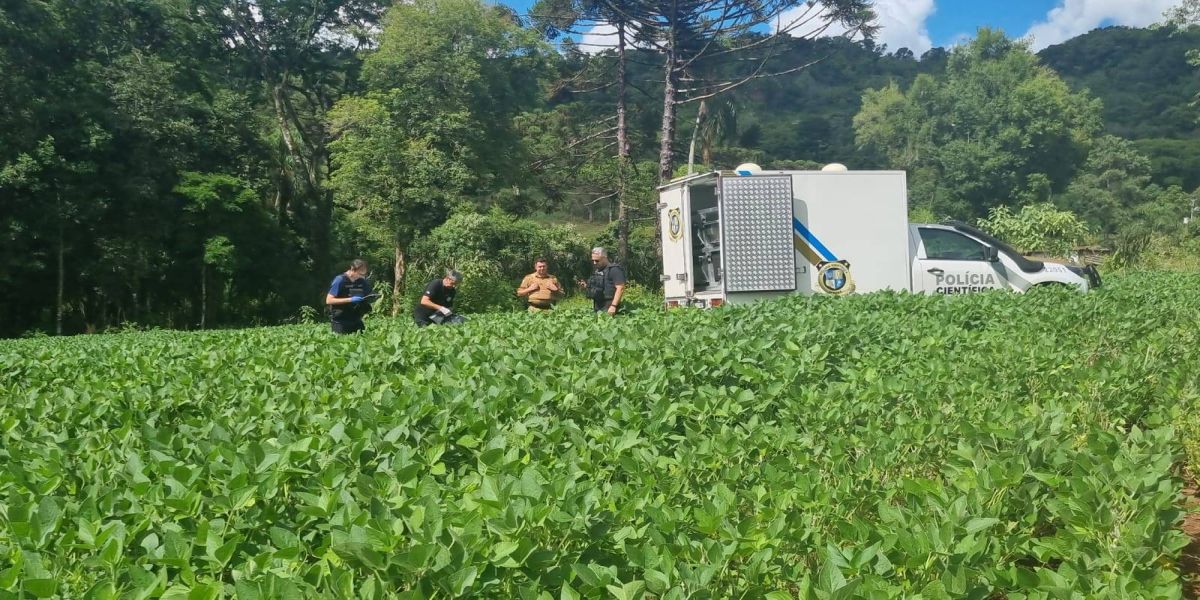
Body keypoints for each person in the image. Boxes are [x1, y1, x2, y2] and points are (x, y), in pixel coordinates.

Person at [326, 259, 374, 334]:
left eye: (364, 275)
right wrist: (350, 299)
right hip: (340, 321)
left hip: (356, 320)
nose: (363, 277)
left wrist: (372, 297)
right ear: (352, 269)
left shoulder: (361, 281)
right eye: (360, 274)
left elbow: (369, 293)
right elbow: (329, 300)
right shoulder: (340, 280)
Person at [577, 246, 626, 316]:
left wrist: (613, 306)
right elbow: (599, 287)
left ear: (604, 258)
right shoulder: (598, 271)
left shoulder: (614, 270)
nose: (594, 263)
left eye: (597, 260)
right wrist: (586, 286)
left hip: (610, 306)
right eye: (593, 260)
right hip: (598, 306)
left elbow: (620, 288)